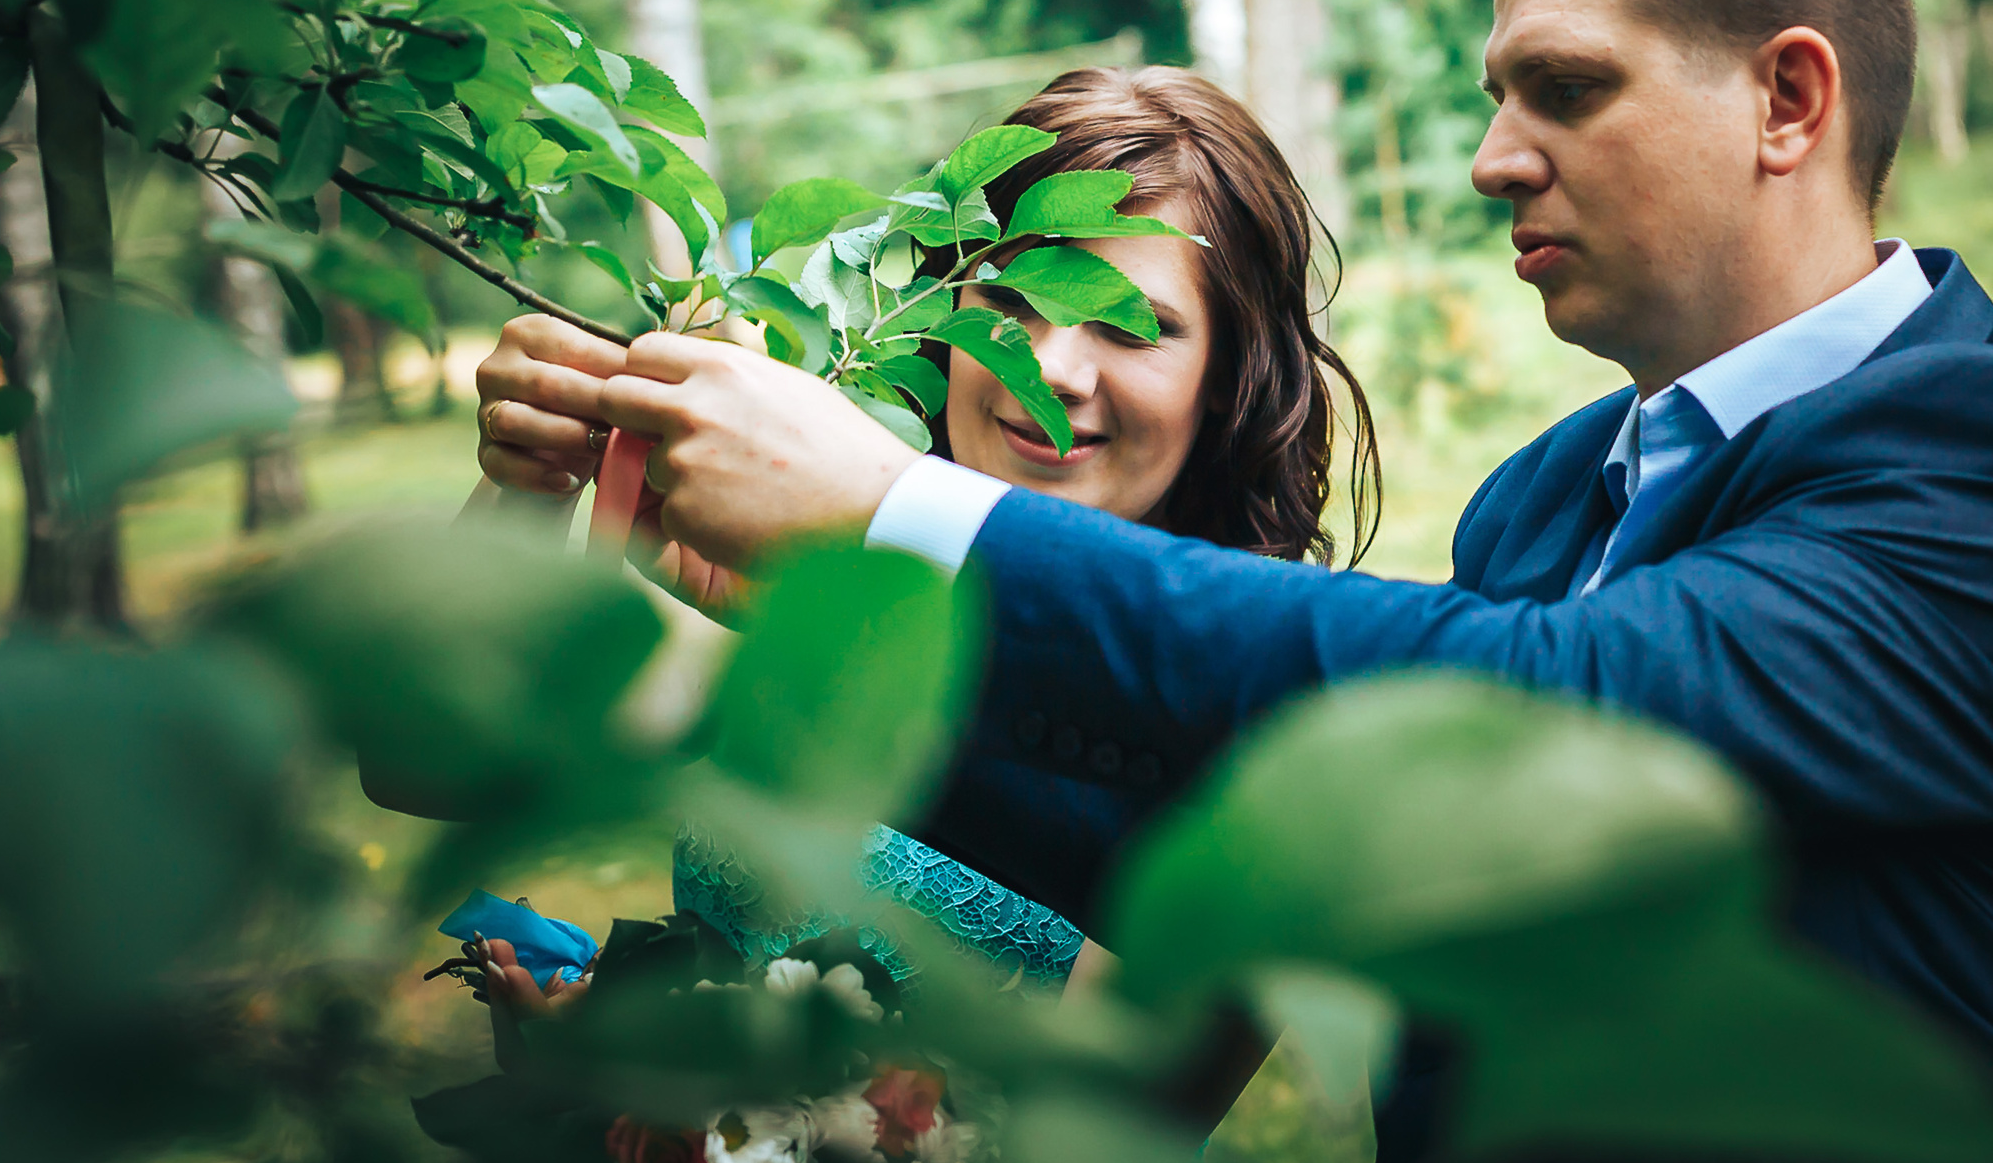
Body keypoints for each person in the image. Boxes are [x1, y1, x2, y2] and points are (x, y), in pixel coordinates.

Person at [479, 0, 1993, 1163]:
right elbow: (1269, 814)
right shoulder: (1545, 498)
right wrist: (790, 614)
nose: (1493, 157)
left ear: (1788, 100)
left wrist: (898, 514)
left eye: (1567, 88)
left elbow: (1551, 719)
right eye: (1496, 98)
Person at [472, 64, 1380, 997]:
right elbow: (443, 768)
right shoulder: (809, 566)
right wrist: (527, 483)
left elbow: (1103, 1118)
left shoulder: (1249, 726)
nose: (1052, 368)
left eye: (1133, 327)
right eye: (1012, 301)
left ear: (1233, 380)